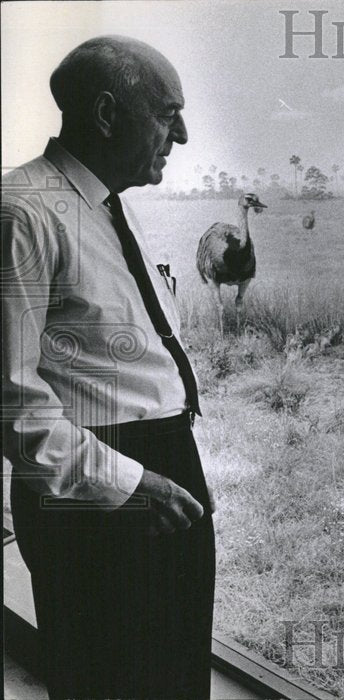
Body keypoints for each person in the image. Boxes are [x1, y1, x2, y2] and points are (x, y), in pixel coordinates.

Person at [2, 36, 215, 699]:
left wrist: (169, 462)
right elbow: (11, 401)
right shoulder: (23, 215)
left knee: (175, 675)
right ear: (105, 113)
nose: (180, 133)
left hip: (159, 462)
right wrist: (126, 483)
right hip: (99, 493)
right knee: (108, 680)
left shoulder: (107, 205)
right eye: (166, 112)